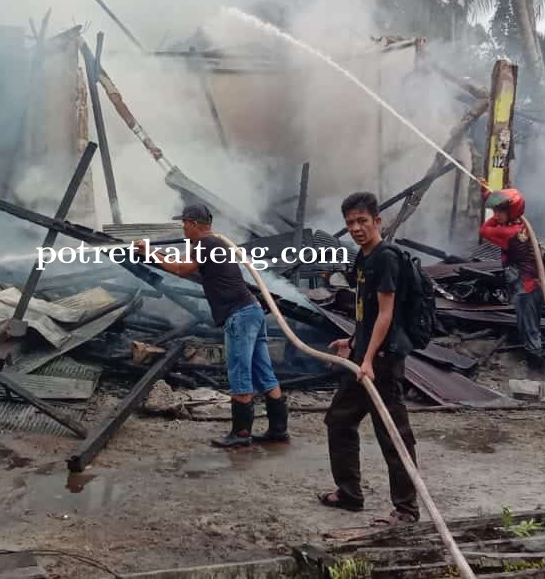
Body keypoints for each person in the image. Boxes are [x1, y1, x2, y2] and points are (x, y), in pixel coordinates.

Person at [136, 203, 288, 447]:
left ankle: (241, 434)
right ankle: (278, 430)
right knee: (263, 372)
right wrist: (152, 252)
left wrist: (148, 253)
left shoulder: (206, 244)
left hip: (239, 315)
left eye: (184, 223)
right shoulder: (214, 243)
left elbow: (180, 269)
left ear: (195, 224)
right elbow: (180, 263)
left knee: (240, 372)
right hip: (252, 312)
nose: (183, 228)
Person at [318, 191, 419, 524]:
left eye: (362, 221)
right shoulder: (363, 258)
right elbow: (367, 311)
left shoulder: (387, 258)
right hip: (364, 357)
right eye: (350, 223)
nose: (356, 228)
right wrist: (351, 341)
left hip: (382, 363)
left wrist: (369, 359)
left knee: (392, 433)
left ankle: (406, 510)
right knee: (339, 420)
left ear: (378, 221)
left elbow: (386, 314)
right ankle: (349, 494)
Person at [478, 189, 545, 379]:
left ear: (512, 211)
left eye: (500, 211)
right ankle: (539, 369)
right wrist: (490, 196)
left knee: (529, 331)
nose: (496, 215)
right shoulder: (519, 226)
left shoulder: (509, 232)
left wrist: (494, 210)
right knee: (532, 329)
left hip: (524, 289)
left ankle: (536, 376)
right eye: (495, 210)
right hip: (532, 285)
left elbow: (484, 229)